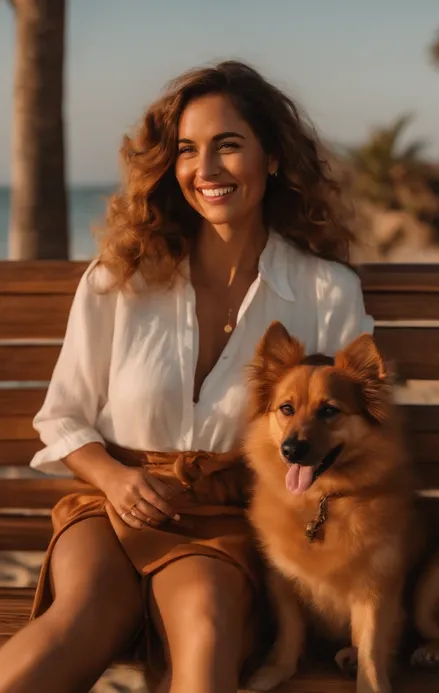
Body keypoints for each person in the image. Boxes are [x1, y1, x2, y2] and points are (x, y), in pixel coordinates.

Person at [0, 60, 373, 693]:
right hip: (111, 502)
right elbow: (62, 416)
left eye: (229, 146)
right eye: (187, 151)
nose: (206, 170)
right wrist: (115, 478)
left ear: (273, 157)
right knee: (83, 614)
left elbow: (351, 430)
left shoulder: (325, 291)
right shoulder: (121, 278)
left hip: (230, 517)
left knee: (206, 625)